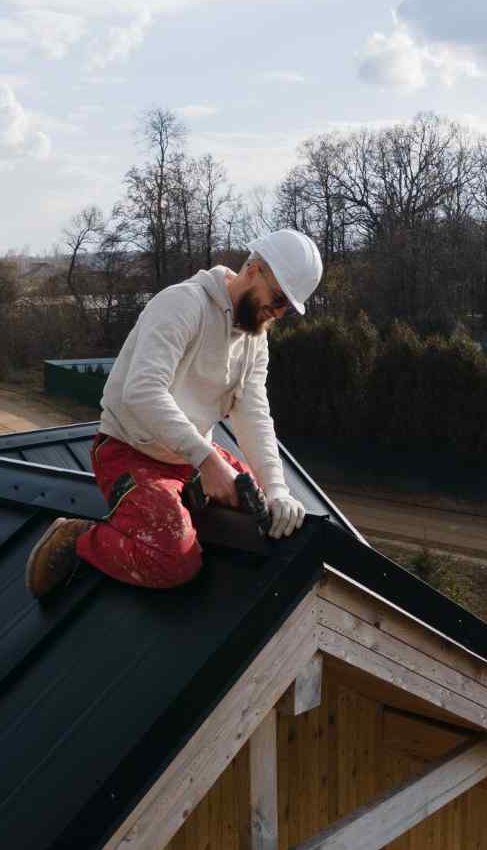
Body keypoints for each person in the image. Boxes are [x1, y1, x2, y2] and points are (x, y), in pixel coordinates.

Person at [25, 229, 322, 596]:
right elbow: (142, 392)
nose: (276, 313)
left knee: (262, 513)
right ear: (254, 270)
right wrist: (208, 462)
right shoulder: (183, 304)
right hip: (130, 451)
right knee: (173, 562)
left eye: (286, 310)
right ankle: (80, 539)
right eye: (277, 299)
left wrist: (277, 489)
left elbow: (254, 414)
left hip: (190, 459)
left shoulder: (254, 338)